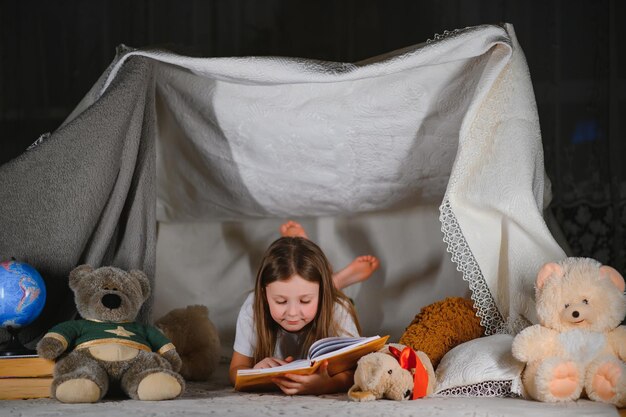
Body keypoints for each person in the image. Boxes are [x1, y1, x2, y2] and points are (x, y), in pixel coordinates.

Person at [229, 222, 379, 395]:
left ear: (322, 295)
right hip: (320, 290)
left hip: (329, 300)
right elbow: (235, 371)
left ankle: (332, 283)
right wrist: (254, 372)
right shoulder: (254, 305)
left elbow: (358, 370)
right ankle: (332, 281)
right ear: (264, 295)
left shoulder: (337, 309)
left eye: (305, 301)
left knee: (332, 298)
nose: (292, 313)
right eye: (280, 301)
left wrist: (328, 385)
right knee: (306, 283)